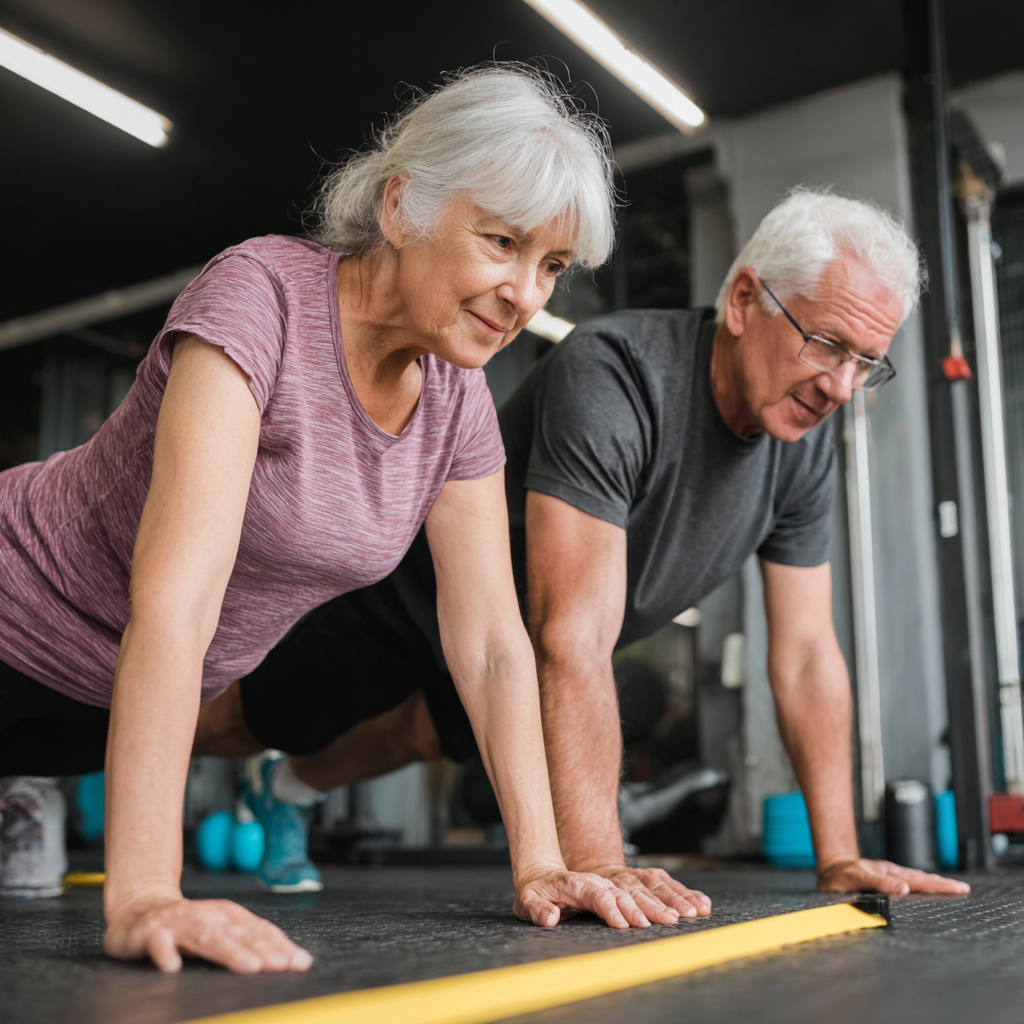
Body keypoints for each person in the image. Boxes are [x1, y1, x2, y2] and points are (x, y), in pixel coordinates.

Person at [0, 65, 660, 973]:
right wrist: (146, 892)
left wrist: (543, 865)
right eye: (502, 242)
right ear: (400, 207)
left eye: (551, 266)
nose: (526, 293)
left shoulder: (455, 399)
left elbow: (491, 645)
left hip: (90, 713)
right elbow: (178, 599)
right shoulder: (260, 298)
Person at [194, 187, 971, 912]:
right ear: (744, 301)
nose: (840, 386)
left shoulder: (801, 445)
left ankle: (286, 791)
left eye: (865, 363)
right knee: (256, 719)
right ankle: (117, 749)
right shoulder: (619, 372)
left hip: (526, 653)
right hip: (416, 589)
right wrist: (601, 862)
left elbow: (805, 656)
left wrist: (839, 858)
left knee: (420, 734)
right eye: (826, 344)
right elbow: (572, 631)